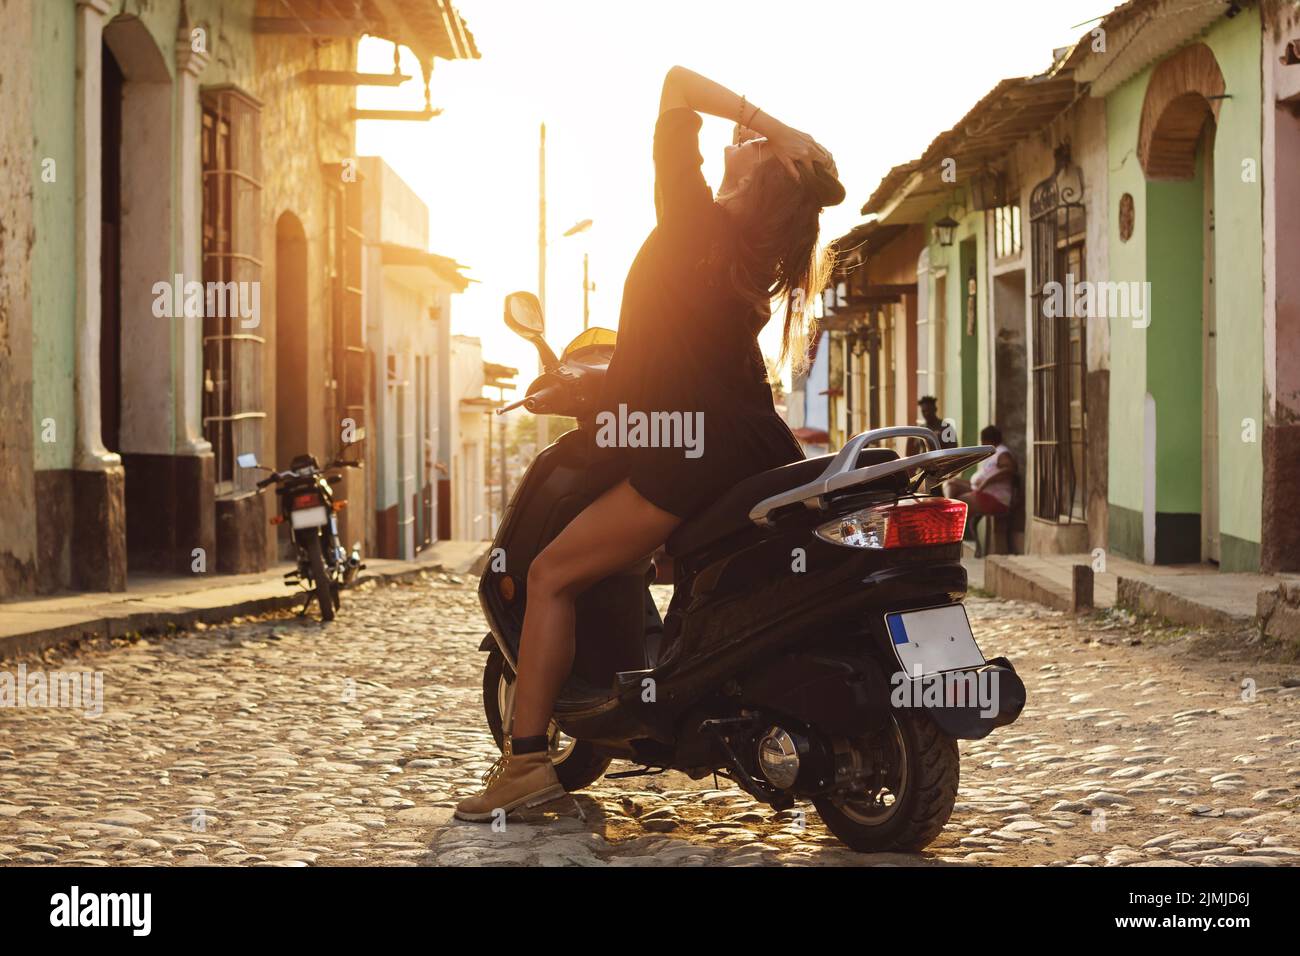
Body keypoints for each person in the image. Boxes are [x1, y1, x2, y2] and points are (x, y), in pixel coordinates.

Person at [455, 66, 845, 821]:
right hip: (746, 447)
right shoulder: (755, 253)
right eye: (744, 129)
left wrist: (775, 123)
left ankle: (526, 763)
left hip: (684, 457)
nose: (737, 135)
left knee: (550, 575)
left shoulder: (698, 221)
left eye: (751, 140)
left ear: (760, 174)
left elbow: (673, 84)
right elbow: (676, 354)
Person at [944, 425, 1016, 545]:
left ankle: (952, 530)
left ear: (986, 440)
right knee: (950, 483)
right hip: (981, 490)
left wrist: (986, 481)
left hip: (995, 497)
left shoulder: (1002, 452)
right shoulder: (992, 452)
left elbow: (1010, 469)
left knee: (959, 502)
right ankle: (947, 510)